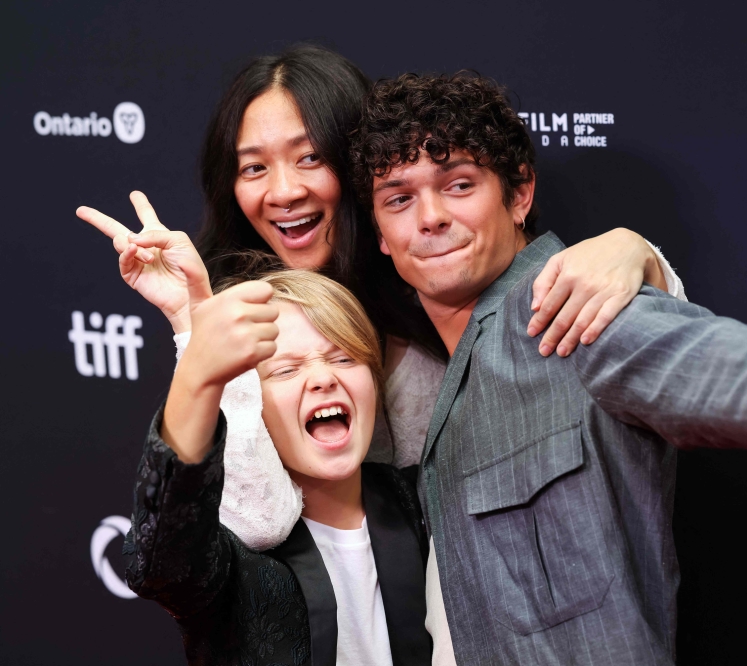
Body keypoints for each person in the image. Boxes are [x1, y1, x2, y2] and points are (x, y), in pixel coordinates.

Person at [349, 71, 747, 665]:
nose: (430, 217)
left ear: (519, 194)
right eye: (400, 199)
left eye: (459, 185)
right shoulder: (417, 362)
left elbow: (679, 355)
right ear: (382, 236)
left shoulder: (562, 306)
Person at [76, 44, 686, 551]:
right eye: (253, 168)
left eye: (311, 157)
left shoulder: (435, 275)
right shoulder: (238, 315)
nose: (284, 191)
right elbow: (251, 523)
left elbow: (592, 331)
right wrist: (196, 329)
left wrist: (637, 253)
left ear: (365, 166)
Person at [125, 269, 431, 665]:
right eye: (286, 370)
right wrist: (199, 366)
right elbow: (162, 563)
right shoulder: (237, 552)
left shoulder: (423, 501)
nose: (323, 377)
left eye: (344, 357)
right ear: (250, 404)